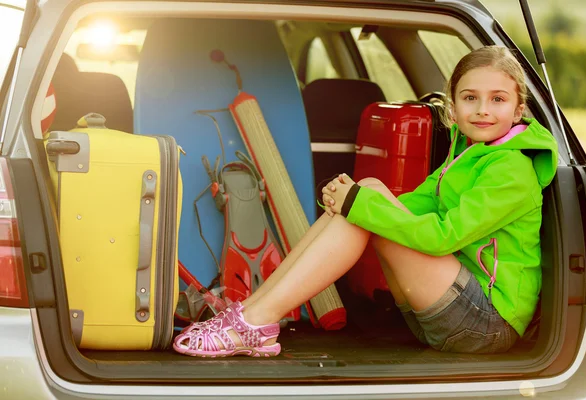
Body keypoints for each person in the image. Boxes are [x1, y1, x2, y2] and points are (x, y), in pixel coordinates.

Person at [173, 45, 558, 357]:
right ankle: (251, 313)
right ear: (453, 109)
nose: (484, 110)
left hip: (486, 323)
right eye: (470, 98)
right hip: (448, 311)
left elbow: (443, 237)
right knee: (369, 191)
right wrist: (350, 198)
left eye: (498, 99)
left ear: (519, 109)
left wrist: (357, 204)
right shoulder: (467, 153)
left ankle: (254, 322)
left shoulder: (512, 169)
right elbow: (410, 203)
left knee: (365, 204)